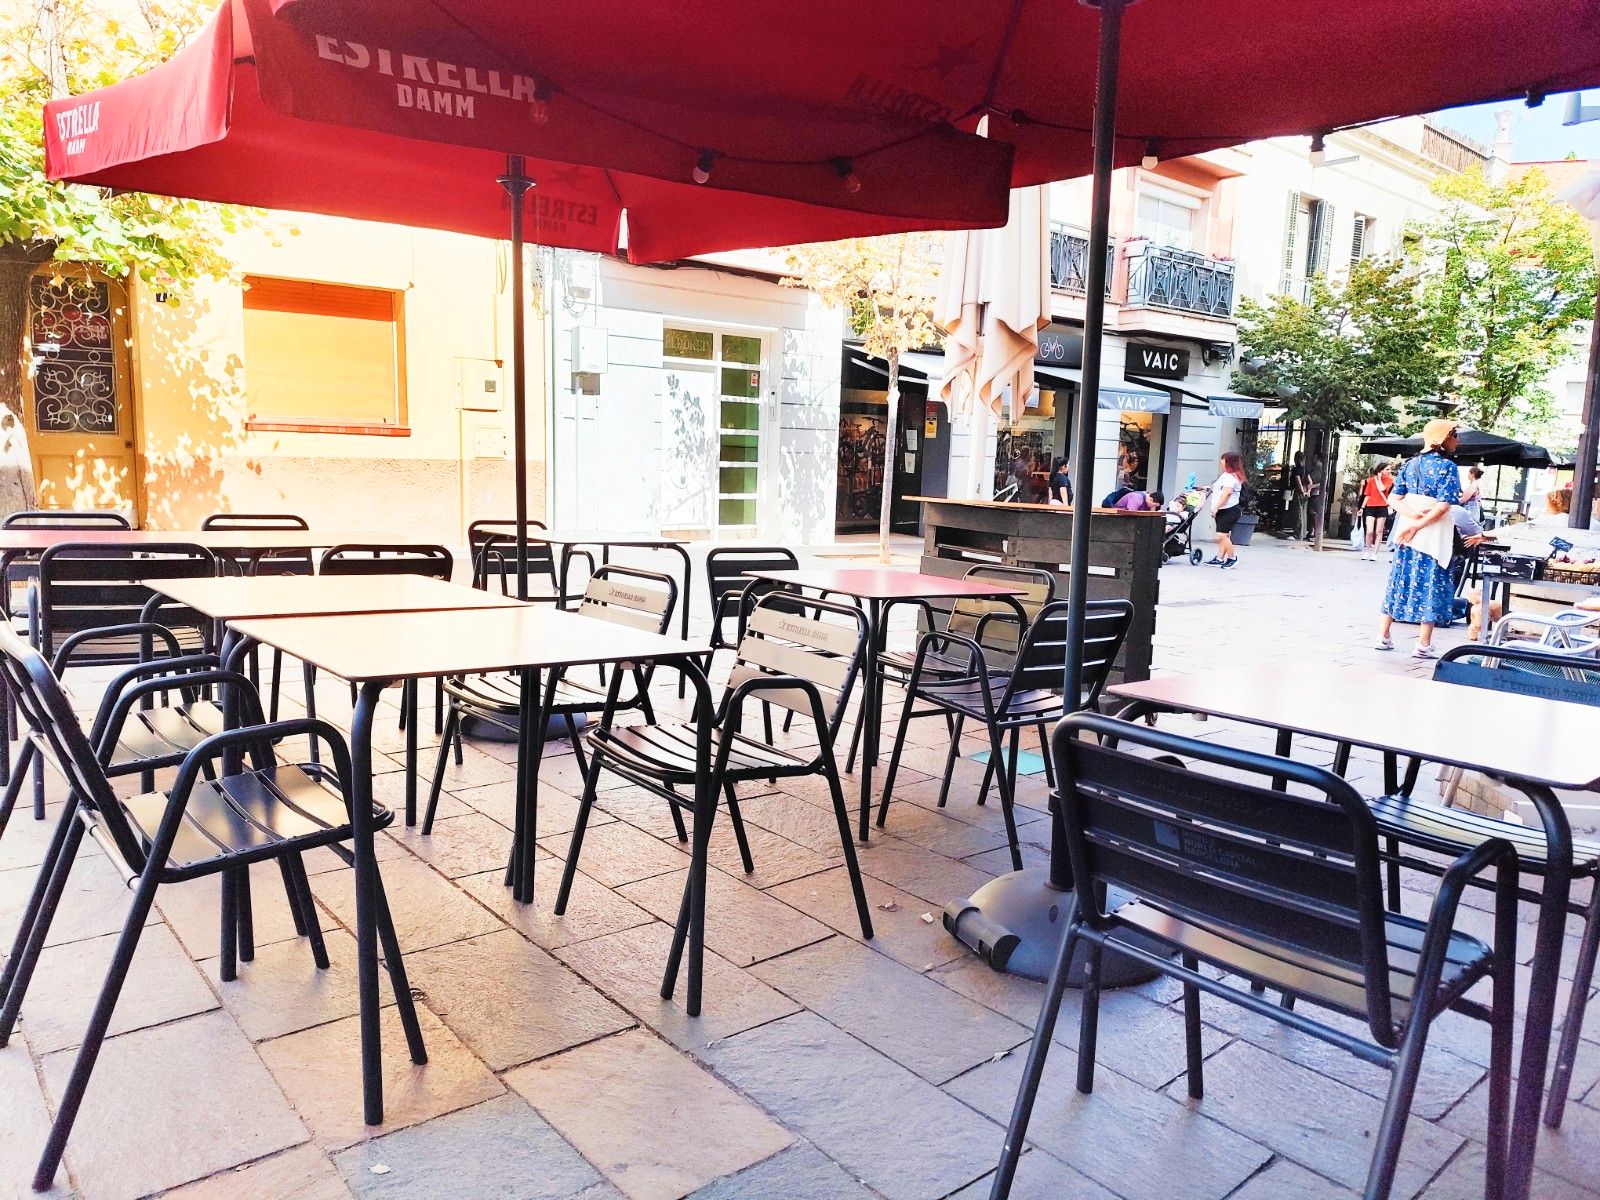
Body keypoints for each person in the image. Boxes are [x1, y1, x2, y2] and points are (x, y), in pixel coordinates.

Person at [1376, 419, 1486, 658]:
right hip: (1433, 533)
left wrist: (1411, 518)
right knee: (1433, 582)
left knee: (1399, 579)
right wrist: (1419, 523)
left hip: (1407, 531)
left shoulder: (1410, 464)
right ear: (1442, 438)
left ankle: (1384, 635)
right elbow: (1444, 505)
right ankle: (1423, 644)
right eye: (1454, 435)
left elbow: (1393, 499)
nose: (1457, 440)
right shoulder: (1447, 467)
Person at [1207, 451, 1247, 568]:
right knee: (1224, 535)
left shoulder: (1230, 477)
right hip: (1227, 509)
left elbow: (1226, 493)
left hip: (1228, 509)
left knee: (1222, 535)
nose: (1221, 463)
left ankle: (1232, 557)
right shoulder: (1229, 475)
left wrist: (1216, 508)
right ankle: (1219, 558)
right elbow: (1220, 489)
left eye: (1223, 461)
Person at [1360, 462, 1394, 561]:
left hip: (1382, 506)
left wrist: (1378, 479)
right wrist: (1362, 508)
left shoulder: (1389, 480)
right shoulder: (1371, 481)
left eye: (1389, 469)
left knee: (1379, 531)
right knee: (1369, 531)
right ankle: (1367, 550)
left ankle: (1375, 553)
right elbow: (1368, 495)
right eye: (1387, 469)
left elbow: (1382, 489)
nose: (1389, 471)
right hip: (1370, 507)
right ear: (1381, 470)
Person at [1288, 452, 1313, 540]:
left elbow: (1298, 481)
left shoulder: (1296, 469)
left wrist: (1302, 492)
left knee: (1298, 513)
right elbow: (1310, 482)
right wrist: (1308, 491)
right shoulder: (1306, 469)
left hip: (1299, 492)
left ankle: (1297, 534)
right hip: (1306, 490)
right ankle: (1303, 534)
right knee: (1303, 513)